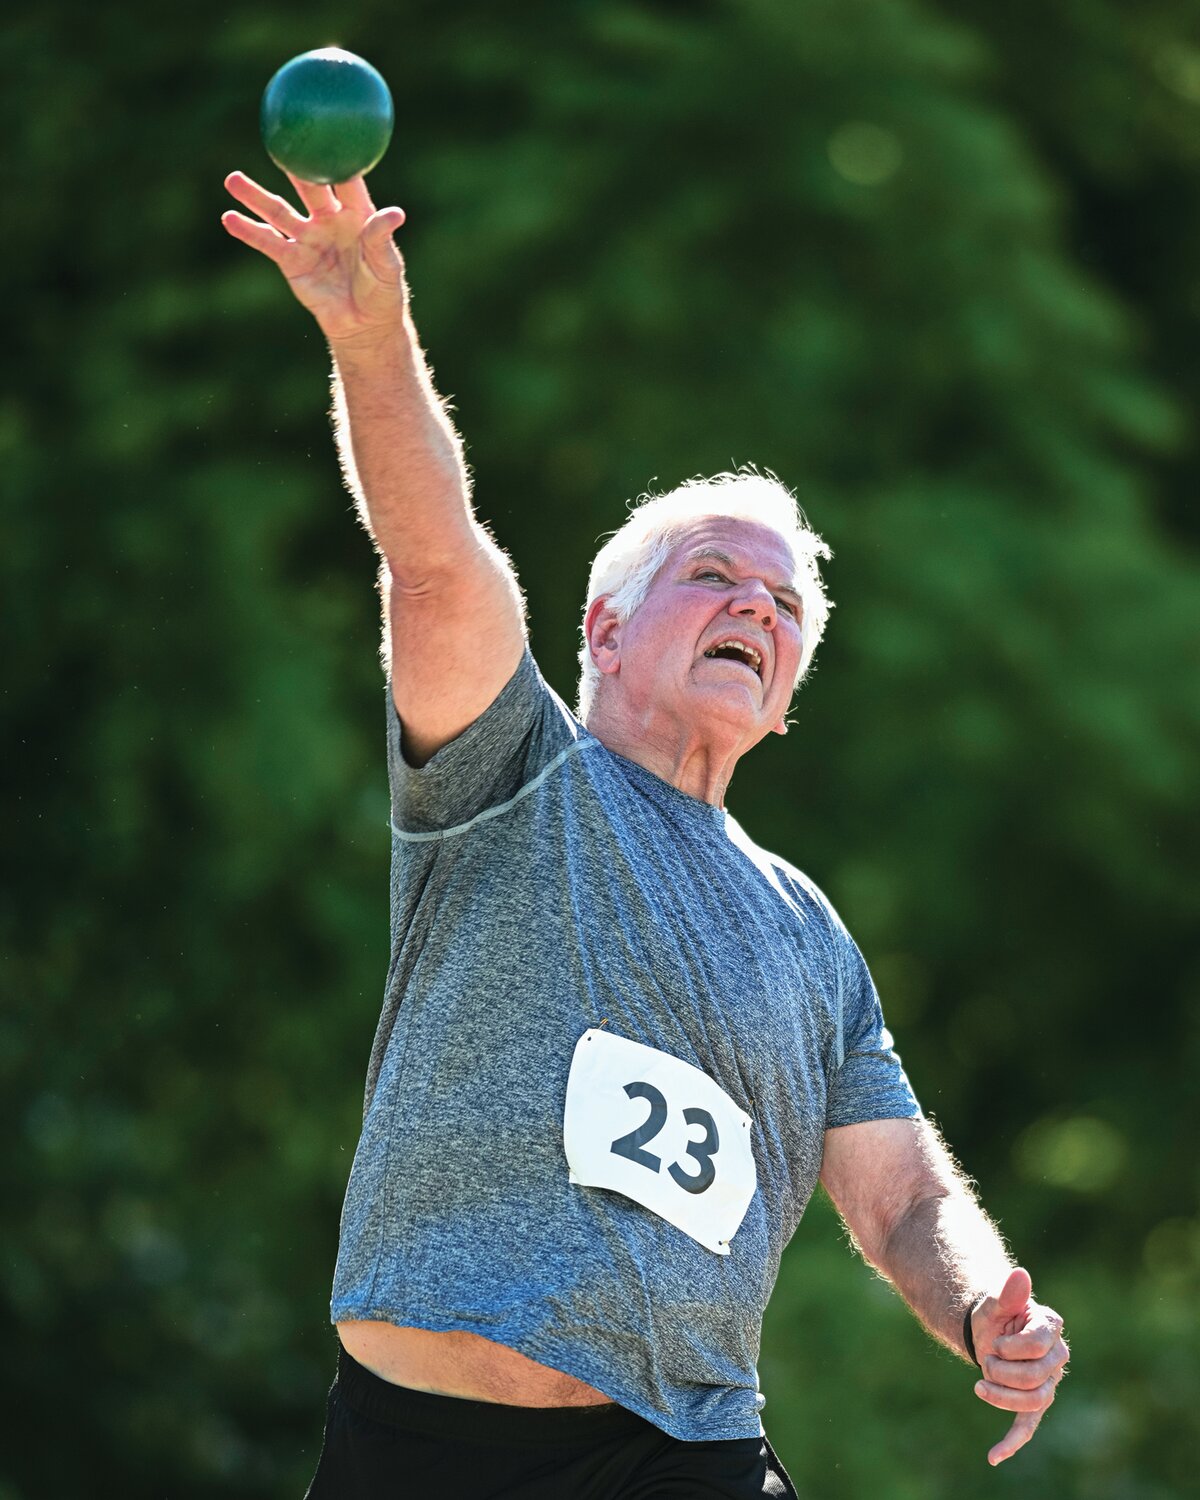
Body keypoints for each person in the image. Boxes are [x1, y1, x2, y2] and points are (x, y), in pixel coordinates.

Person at [221, 168, 1069, 1500]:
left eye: (784, 605)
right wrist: (369, 336)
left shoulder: (810, 936)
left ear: (784, 703)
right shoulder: (515, 774)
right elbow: (438, 561)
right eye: (714, 576)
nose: (758, 606)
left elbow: (904, 1200)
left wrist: (983, 1307)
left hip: (686, 1455)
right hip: (428, 1446)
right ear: (605, 632)